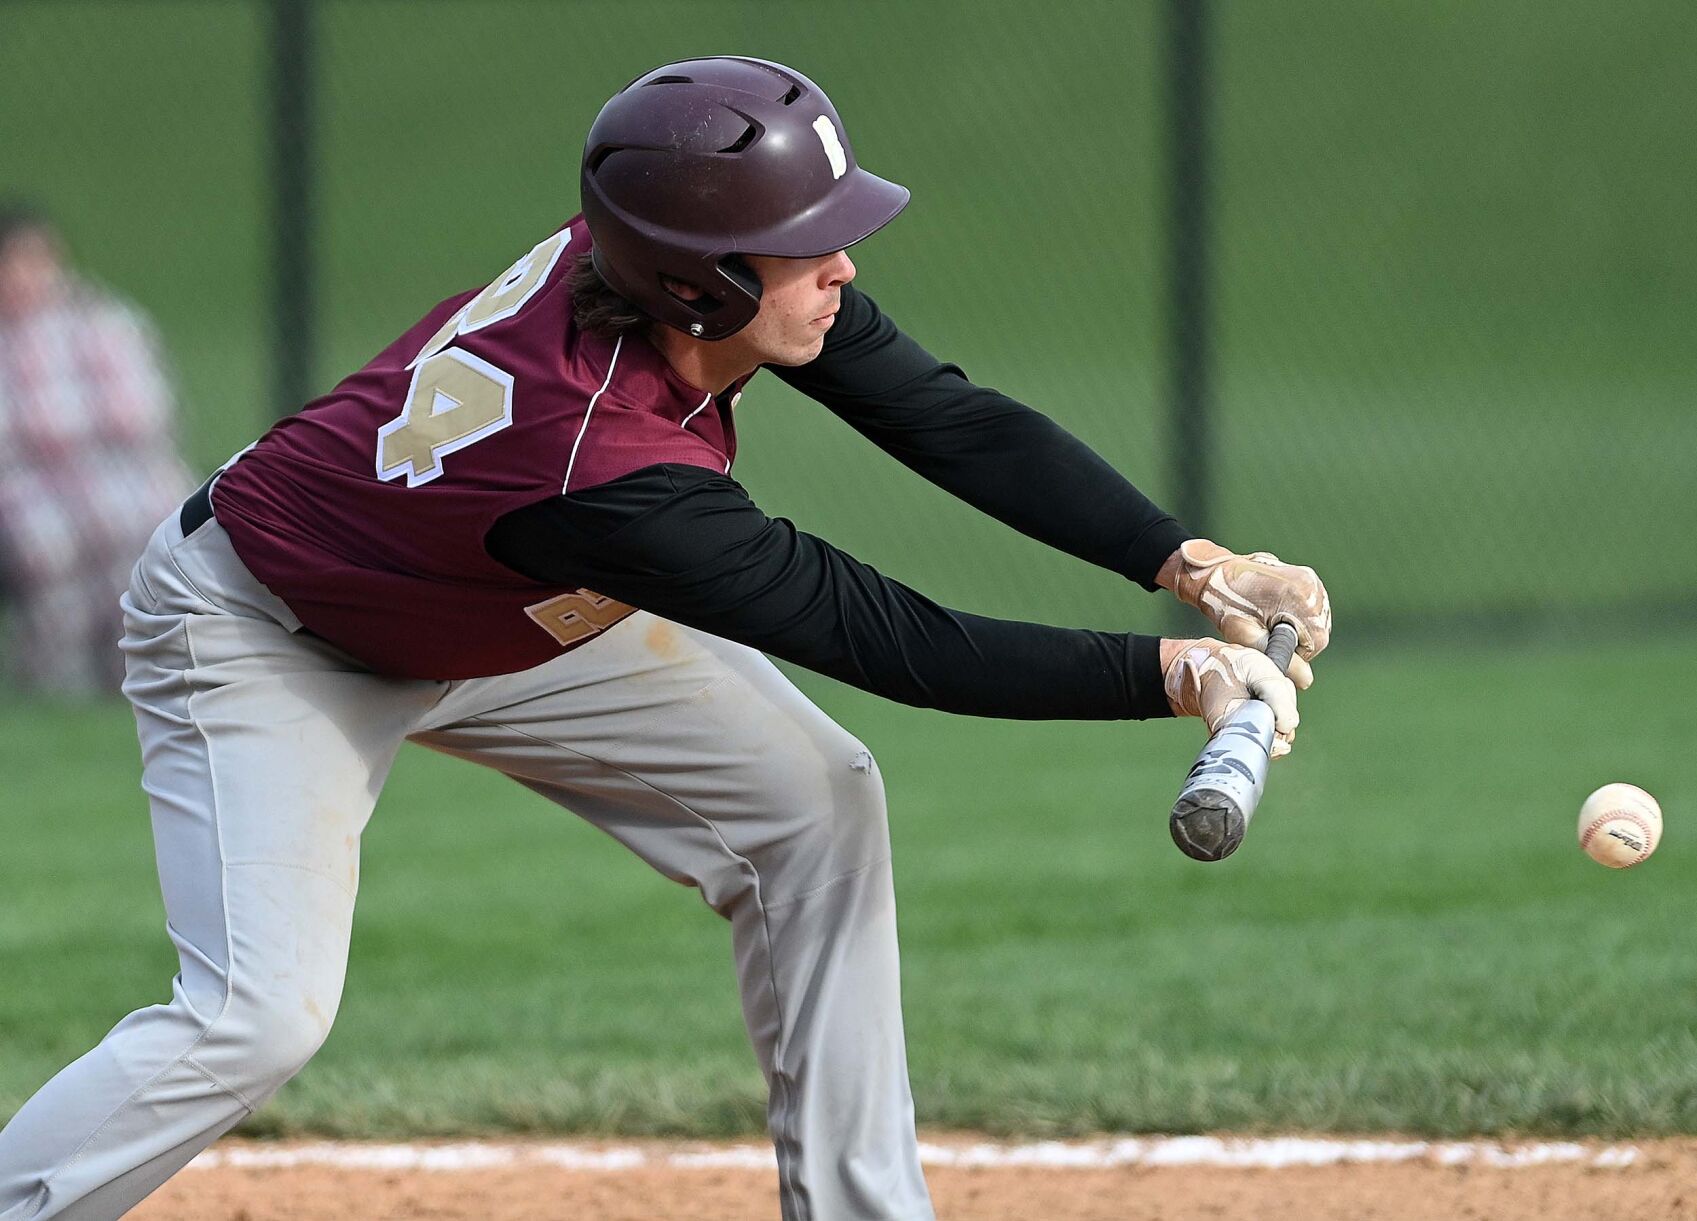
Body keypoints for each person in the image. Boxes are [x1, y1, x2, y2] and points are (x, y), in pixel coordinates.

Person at [0, 58, 1331, 1221]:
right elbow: (880, 631)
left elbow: (949, 417)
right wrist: (1167, 676)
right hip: (267, 627)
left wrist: (1193, 567)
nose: (844, 264)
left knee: (814, 803)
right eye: (810, 242)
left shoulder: (675, 282)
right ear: (701, 283)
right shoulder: (600, 462)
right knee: (252, 1020)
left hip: (497, 597)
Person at [0, 203, 193, 695]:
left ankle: (147, 668)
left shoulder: (99, 319)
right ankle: (58, 678)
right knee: (50, 544)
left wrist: (60, 431)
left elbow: (143, 412)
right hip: (22, 481)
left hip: (121, 469)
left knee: (159, 528)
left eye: (36, 260)